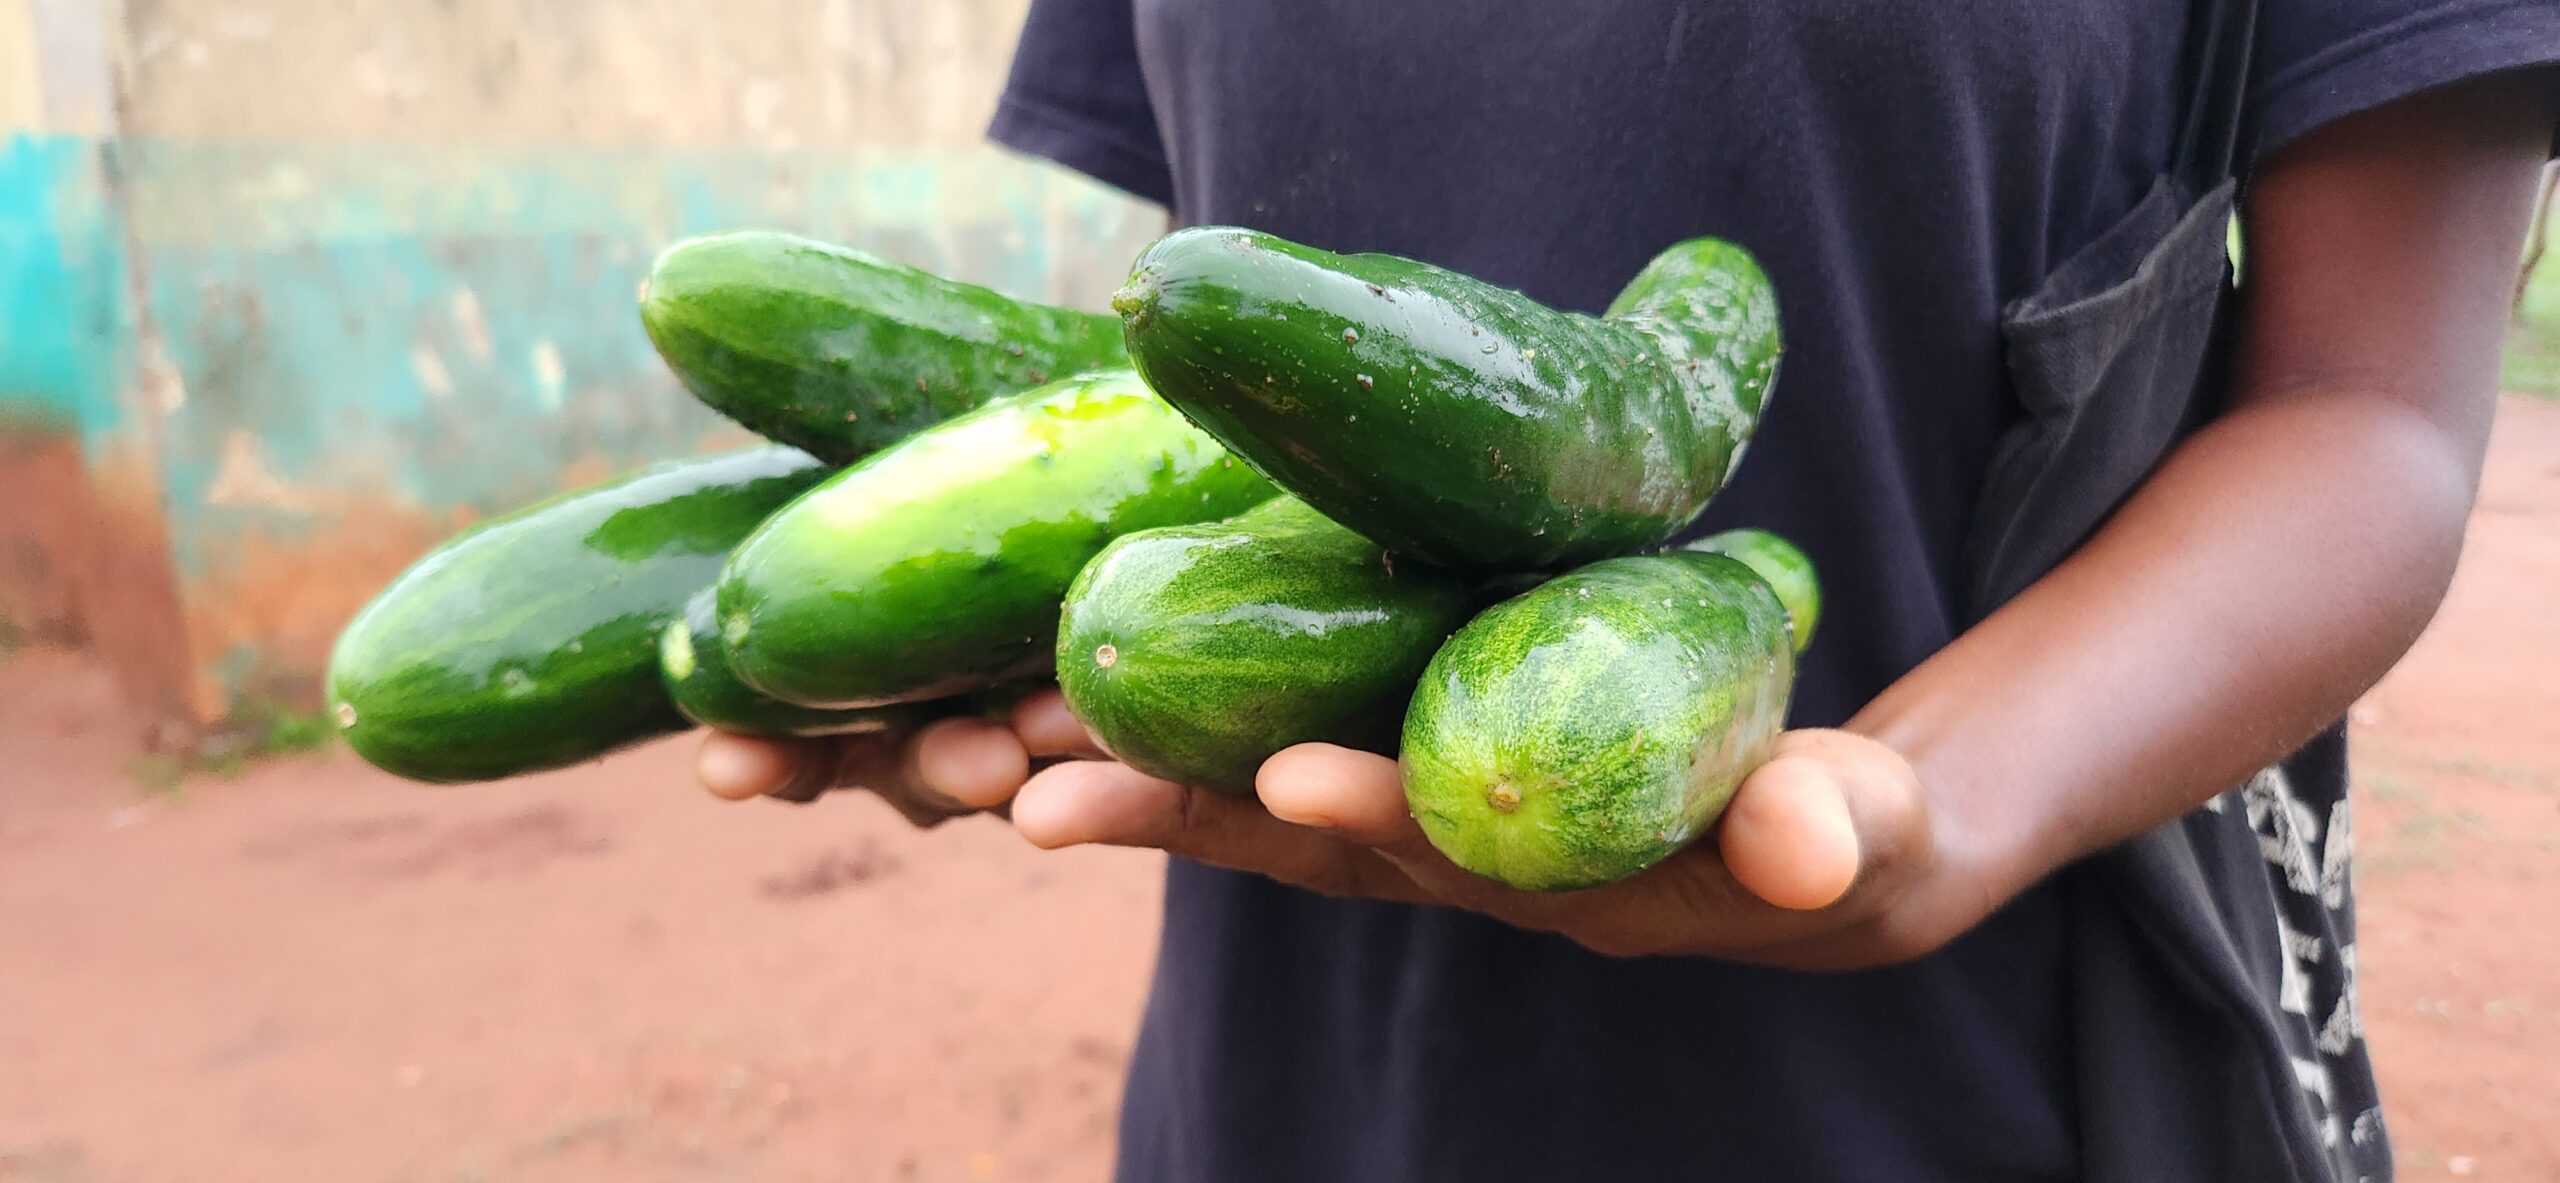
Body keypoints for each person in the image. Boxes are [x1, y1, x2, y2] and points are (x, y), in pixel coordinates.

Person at [695, 3, 2560, 1179]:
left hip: (1972, 1058)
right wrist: (922, 619)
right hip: (1300, 1060)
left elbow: (2367, 414)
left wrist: (1951, 791)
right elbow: (1211, 341)